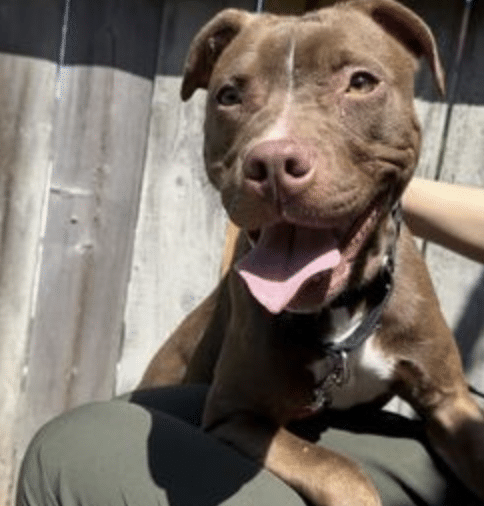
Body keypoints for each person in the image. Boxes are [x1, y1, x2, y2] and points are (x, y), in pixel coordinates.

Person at [16, 178, 484, 506]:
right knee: (139, 416)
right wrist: (352, 177)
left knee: (75, 448)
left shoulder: (406, 298)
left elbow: (447, 403)